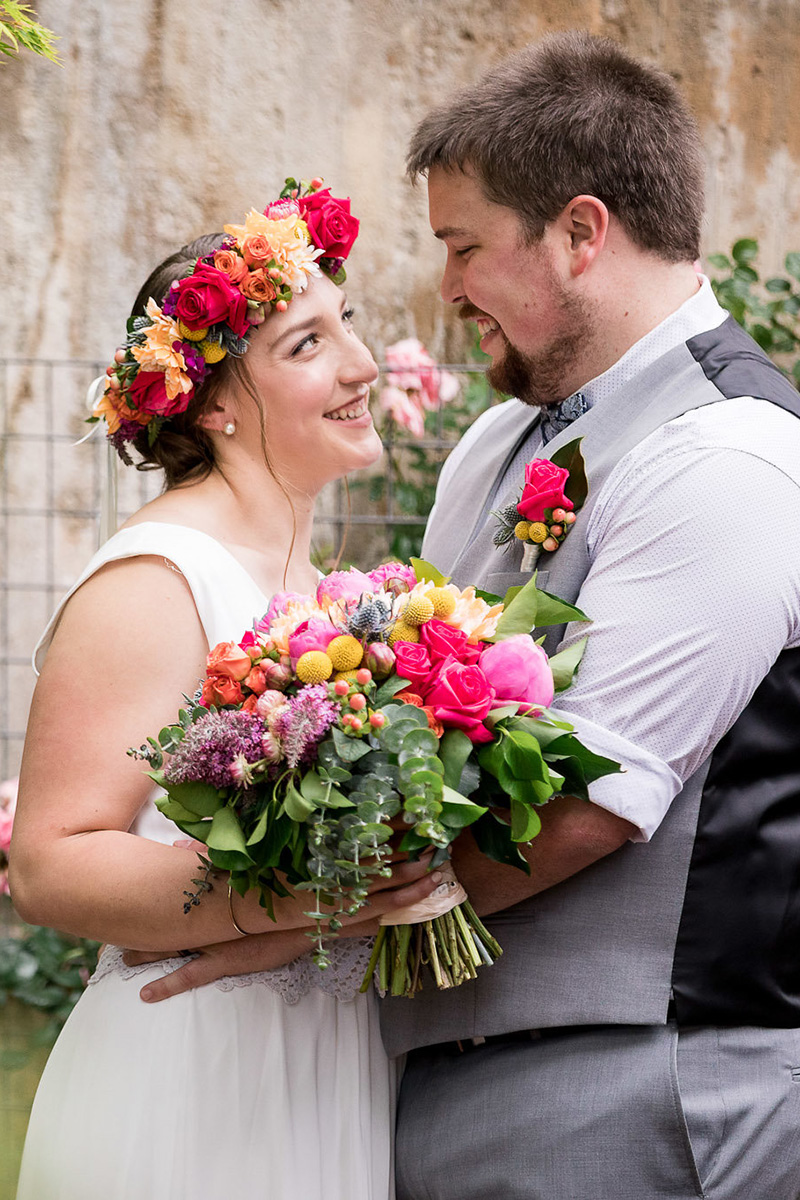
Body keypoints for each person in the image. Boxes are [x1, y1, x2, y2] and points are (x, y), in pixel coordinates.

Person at [127, 33, 800, 1200]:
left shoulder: (731, 456)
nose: (443, 288)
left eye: (462, 247)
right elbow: (424, 739)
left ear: (581, 233)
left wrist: (282, 925)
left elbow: (589, 801)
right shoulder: (494, 442)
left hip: (639, 1082)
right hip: (449, 1073)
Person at [10, 179, 440, 1200]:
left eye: (349, 325)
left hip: (322, 1066)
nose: (359, 365)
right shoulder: (156, 576)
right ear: (211, 407)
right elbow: (50, 866)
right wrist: (318, 895)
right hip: (198, 1074)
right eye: (305, 345)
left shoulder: (319, 582)